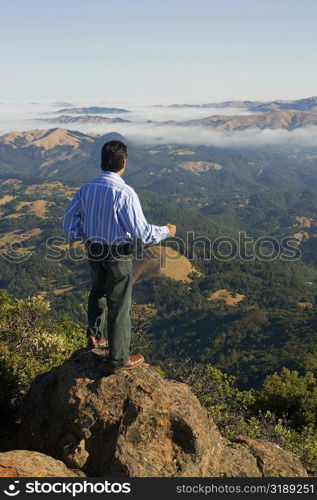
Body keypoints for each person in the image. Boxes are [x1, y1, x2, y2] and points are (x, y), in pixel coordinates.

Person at [63, 140, 176, 372]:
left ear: (102, 161)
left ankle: (95, 337)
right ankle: (118, 358)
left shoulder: (86, 188)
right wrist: (166, 231)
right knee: (120, 304)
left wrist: (82, 238)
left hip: (93, 248)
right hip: (117, 253)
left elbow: (68, 220)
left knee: (97, 291)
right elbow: (142, 233)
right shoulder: (124, 192)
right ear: (124, 162)